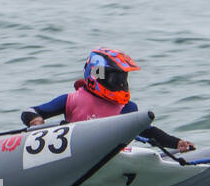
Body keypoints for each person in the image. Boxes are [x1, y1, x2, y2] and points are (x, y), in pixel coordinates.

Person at [20, 48, 195, 153]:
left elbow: (148, 133)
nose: (121, 84)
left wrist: (177, 143)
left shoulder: (127, 107)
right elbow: (30, 111)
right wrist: (36, 121)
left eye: (123, 78)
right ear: (97, 74)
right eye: (115, 78)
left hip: (112, 159)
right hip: (73, 154)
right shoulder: (73, 100)